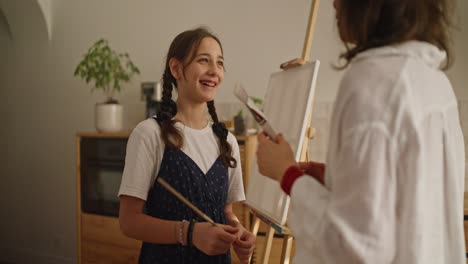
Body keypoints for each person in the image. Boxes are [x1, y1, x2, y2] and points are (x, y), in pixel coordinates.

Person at [256, 0, 465, 263]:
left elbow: (355, 245)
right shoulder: (435, 82)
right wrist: (336, 179)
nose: (334, 4)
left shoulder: (372, 81)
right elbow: (401, 196)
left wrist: (287, 173)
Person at [118, 27, 255, 264]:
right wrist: (189, 233)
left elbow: (226, 212)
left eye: (220, 63)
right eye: (204, 60)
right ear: (176, 68)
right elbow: (129, 222)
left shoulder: (227, 141)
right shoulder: (150, 134)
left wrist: (239, 233)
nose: (214, 71)